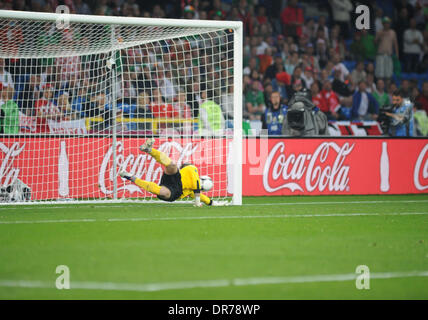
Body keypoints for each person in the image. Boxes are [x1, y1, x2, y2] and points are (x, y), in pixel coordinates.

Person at [119, 138, 213, 207]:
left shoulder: (192, 186)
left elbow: (200, 195)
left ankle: (131, 177)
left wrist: (210, 202)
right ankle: (149, 149)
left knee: (163, 192)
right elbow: (197, 186)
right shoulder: (192, 169)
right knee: (172, 165)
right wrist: (198, 201)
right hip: (176, 178)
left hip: (176, 191)